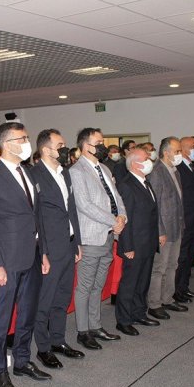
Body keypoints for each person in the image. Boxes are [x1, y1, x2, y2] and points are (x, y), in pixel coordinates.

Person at [0, 122, 51, 387]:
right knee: (2, 317)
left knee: (28, 312)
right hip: (6, 260)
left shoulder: (27, 171)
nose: (26, 143)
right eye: (22, 139)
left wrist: (43, 251)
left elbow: (36, 216)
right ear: (6, 144)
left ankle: (22, 360)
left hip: (32, 255)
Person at [30, 129, 84, 369]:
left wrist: (77, 240)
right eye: (59, 145)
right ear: (45, 149)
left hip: (68, 243)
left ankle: (58, 340)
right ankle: (43, 348)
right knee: (45, 300)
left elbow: (71, 208)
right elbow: (35, 216)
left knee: (62, 296)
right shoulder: (34, 175)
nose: (64, 149)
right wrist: (42, 251)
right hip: (50, 246)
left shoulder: (65, 173)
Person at [69, 128, 126, 350]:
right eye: (98, 142)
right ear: (86, 146)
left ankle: (95, 326)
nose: (102, 146)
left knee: (98, 285)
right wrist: (113, 221)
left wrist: (122, 217)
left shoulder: (104, 168)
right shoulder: (77, 170)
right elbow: (85, 205)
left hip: (108, 236)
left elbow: (116, 197)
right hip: (91, 237)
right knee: (85, 286)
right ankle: (83, 331)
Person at [115, 148, 162, 336]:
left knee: (143, 281)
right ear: (135, 164)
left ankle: (139, 313)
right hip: (134, 244)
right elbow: (125, 218)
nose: (150, 160)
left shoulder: (145, 182)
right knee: (130, 283)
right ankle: (123, 320)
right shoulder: (126, 185)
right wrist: (127, 246)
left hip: (147, 241)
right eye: (145, 158)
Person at [146, 137, 188, 322]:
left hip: (176, 227)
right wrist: (159, 231)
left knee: (172, 266)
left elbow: (178, 201)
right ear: (166, 152)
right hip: (163, 229)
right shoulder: (157, 172)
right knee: (159, 268)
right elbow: (154, 205)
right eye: (177, 151)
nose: (180, 154)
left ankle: (167, 298)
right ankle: (154, 304)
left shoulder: (175, 171)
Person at [173, 137, 194, 303]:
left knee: (190, 256)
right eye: (193, 146)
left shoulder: (193, 166)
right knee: (182, 257)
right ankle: (176, 291)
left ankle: (184, 287)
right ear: (184, 149)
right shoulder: (178, 169)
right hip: (186, 221)